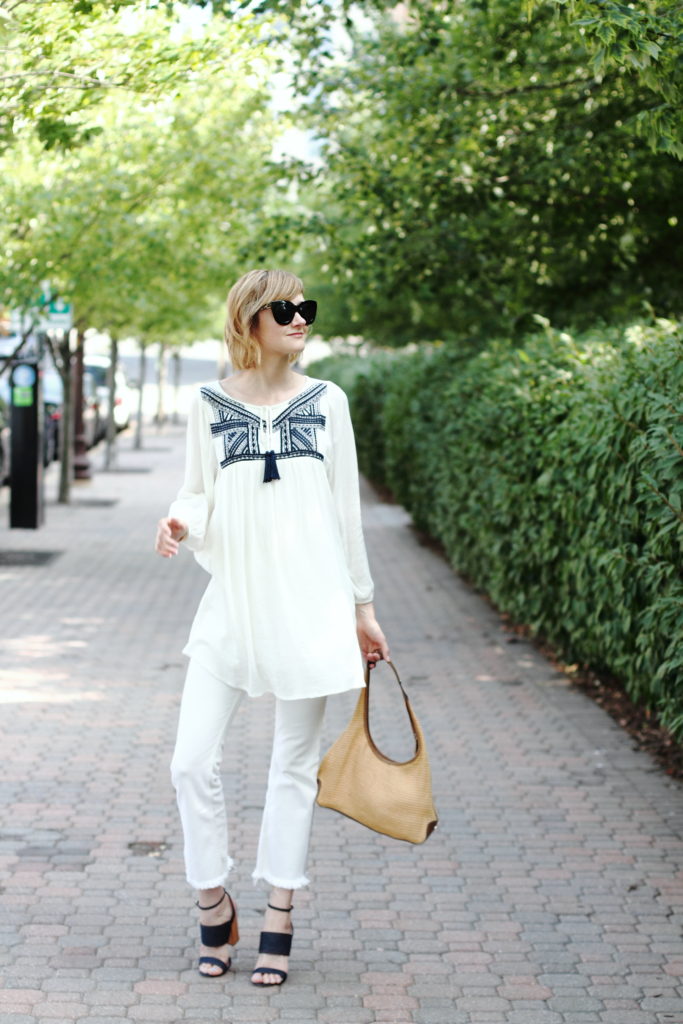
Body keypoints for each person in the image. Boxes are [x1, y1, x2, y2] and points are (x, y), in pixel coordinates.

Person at [155, 268, 389, 986]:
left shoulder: (329, 402)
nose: (299, 319)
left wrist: (363, 607)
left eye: (305, 308)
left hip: (313, 609)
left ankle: (280, 911)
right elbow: (199, 488)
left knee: (293, 767)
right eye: (283, 309)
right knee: (189, 762)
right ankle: (212, 900)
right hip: (234, 608)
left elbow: (345, 510)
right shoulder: (208, 402)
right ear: (249, 320)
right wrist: (180, 520)